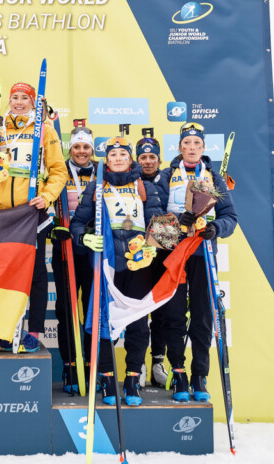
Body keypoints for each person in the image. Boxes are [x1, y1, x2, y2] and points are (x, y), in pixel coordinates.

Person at [70, 137, 159, 406]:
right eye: (113, 155)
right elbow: (77, 223)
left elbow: (158, 222)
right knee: (104, 322)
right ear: (106, 160)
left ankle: (132, 379)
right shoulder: (97, 186)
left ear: (130, 159)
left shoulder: (143, 185)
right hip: (107, 265)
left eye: (123, 154)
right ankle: (107, 379)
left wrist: (153, 244)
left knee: (138, 324)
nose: (118, 158)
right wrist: (85, 238)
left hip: (138, 266)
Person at [151, 122, 237, 402]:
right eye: (187, 143)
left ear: (203, 148)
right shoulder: (166, 175)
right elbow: (154, 216)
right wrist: (177, 221)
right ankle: (179, 373)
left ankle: (200, 375)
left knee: (202, 317)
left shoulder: (214, 177)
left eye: (197, 144)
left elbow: (230, 217)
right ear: (179, 147)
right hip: (175, 254)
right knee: (173, 315)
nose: (191, 148)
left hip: (203, 254)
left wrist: (216, 228)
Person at [0, 82, 68, 352]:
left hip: (31, 212)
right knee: (3, 274)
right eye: (15, 97)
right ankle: (6, 330)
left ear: (33, 102)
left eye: (24, 98)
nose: (18, 102)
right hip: (1, 213)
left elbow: (59, 172)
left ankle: (33, 332)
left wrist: (47, 196)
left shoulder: (45, 130)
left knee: (36, 273)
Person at [51, 126, 97, 392]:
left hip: (94, 249)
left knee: (93, 308)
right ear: (70, 149)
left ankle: (92, 365)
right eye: (77, 147)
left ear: (92, 149)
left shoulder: (101, 173)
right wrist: (53, 224)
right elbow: (45, 199)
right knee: (66, 309)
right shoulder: (60, 171)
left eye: (86, 147)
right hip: (65, 245)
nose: (81, 151)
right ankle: (70, 365)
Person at [135, 135, 169, 388]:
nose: (148, 161)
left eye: (152, 157)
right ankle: (138, 363)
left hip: (166, 248)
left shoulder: (169, 178)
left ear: (159, 159)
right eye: (143, 157)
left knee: (162, 310)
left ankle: (158, 360)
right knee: (139, 309)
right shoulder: (130, 180)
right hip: (138, 252)